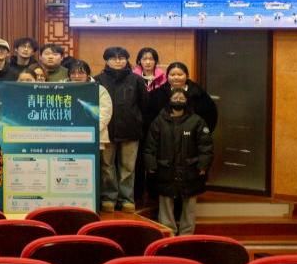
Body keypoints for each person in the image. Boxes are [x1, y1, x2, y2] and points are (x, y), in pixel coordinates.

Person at [144, 89, 214, 236]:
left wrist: (203, 166)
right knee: (165, 203)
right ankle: (168, 233)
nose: (178, 100)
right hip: (165, 169)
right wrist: (151, 166)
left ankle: (186, 235)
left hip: (191, 170)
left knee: (190, 205)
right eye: (175, 97)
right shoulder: (159, 121)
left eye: (181, 98)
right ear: (169, 100)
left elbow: (206, 147)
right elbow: (150, 147)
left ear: (187, 101)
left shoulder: (197, 121)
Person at [96, 46, 148, 213]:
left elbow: (144, 106)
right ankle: (108, 198)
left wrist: (138, 122)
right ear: (106, 60)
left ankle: (126, 199)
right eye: (113, 58)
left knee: (128, 167)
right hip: (106, 131)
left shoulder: (137, 80)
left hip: (131, 130)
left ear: (127, 60)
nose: (118, 61)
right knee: (106, 166)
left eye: (121, 58)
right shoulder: (97, 80)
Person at [146, 62, 218, 133]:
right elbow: (150, 118)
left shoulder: (199, 93)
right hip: (164, 136)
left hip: (193, 136)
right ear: (167, 77)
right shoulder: (157, 94)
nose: (176, 77)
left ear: (187, 76)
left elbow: (210, 116)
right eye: (172, 75)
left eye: (180, 74)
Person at [67, 59, 113, 150]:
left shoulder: (99, 89)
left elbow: (105, 113)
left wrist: (91, 130)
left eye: (81, 73)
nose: (77, 76)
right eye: (73, 73)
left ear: (88, 74)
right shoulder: (61, 89)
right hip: (67, 136)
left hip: (94, 135)